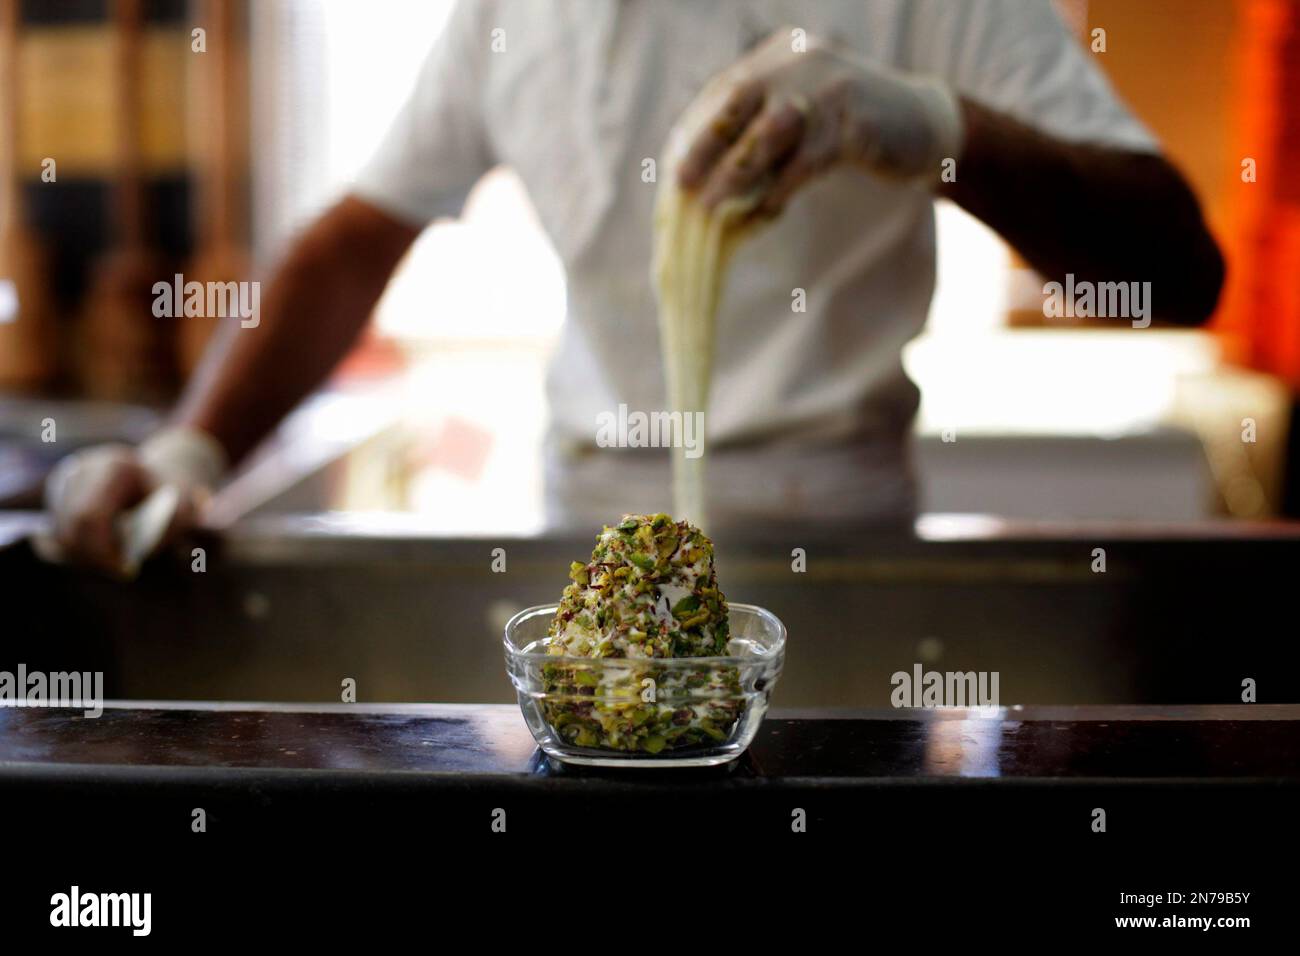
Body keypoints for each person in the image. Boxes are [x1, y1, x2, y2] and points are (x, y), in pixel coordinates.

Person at [46, 0, 1223, 570]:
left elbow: (1176, 268)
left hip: (845, 536)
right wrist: (192, 451)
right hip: (585, 536)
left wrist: (933, 124)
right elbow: (353, 242)